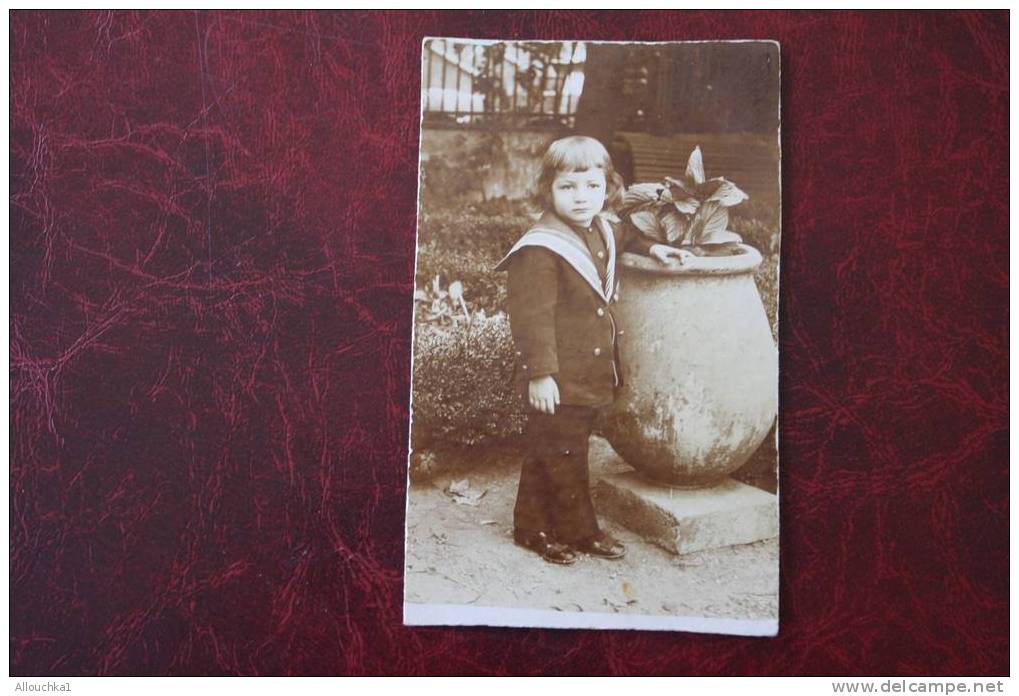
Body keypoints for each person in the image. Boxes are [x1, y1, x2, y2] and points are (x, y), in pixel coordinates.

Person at [494, 136, 691, 565]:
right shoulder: (541, 248)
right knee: (561, 453)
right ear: (548, 189)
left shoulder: (602, 226)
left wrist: (654, 246)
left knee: (559, 450)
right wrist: (540, 374)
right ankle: (565, 530)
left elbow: (626, 239)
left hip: (588, 373)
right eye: (568, 188)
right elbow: (531, 318)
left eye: (592, 187)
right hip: (557, 375)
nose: (581, 198)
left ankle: (544, 526)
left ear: (608, 188)